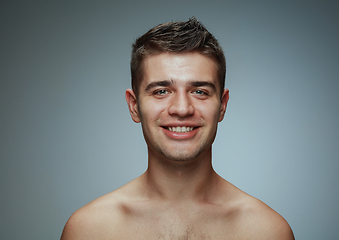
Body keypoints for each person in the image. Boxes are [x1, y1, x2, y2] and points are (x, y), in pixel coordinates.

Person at [60, 17, 294, 240]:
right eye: (161, 91)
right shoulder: (90, 230)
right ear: (134, 106)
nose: (182, 109)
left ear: (222, 105)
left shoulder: (266, 231)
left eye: (199, 91)